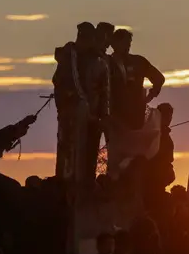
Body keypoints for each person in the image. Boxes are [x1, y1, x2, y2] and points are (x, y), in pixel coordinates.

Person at [53, 22, 109, 185]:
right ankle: (64, 185)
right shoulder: (69, 58)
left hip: (93, 117)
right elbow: (59, 83)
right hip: (70, 115)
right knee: (68, 152)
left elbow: (105, 91)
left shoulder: (99, 60)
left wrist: (102, 115)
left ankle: (85, 184)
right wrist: (66, 107)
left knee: (89, 153)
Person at [109, 29, 165, 130]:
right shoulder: (108, 62)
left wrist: (148, 98)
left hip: (135, 114)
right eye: (124, 42)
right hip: (115, 114)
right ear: (114, 43)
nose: (127, 46)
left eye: (129, 43)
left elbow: (159, 78)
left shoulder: (139, 61)